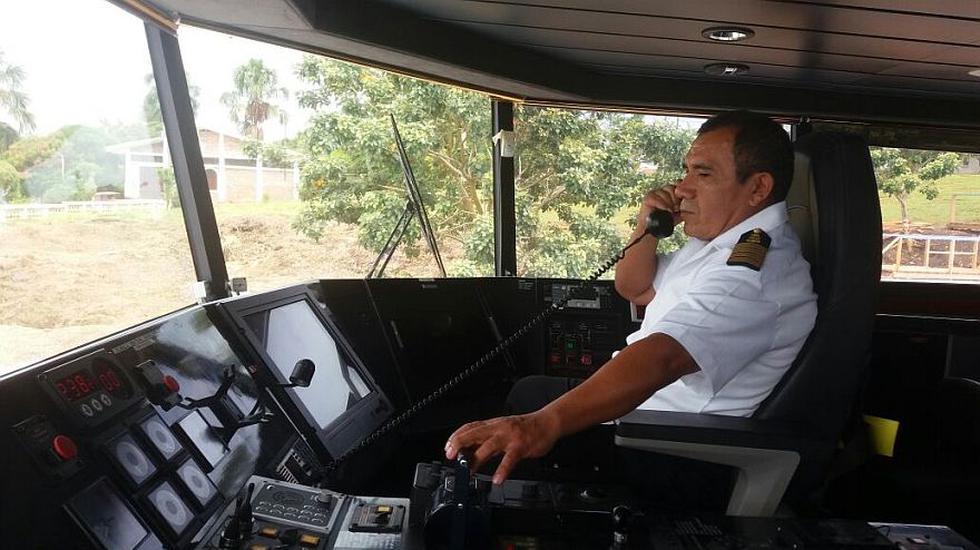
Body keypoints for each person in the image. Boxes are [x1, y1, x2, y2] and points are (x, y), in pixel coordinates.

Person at [445, 110, 818, 487]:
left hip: (669, 448)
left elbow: (662, 356)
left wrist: (543, 424)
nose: (682, 187)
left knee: (508, 434)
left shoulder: (756, 274)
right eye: (686, 171)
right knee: (525, 392)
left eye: (703, 175)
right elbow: (634, 288)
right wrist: (648, 225)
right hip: (644, 418)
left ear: (758, 188)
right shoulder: (720, 244)